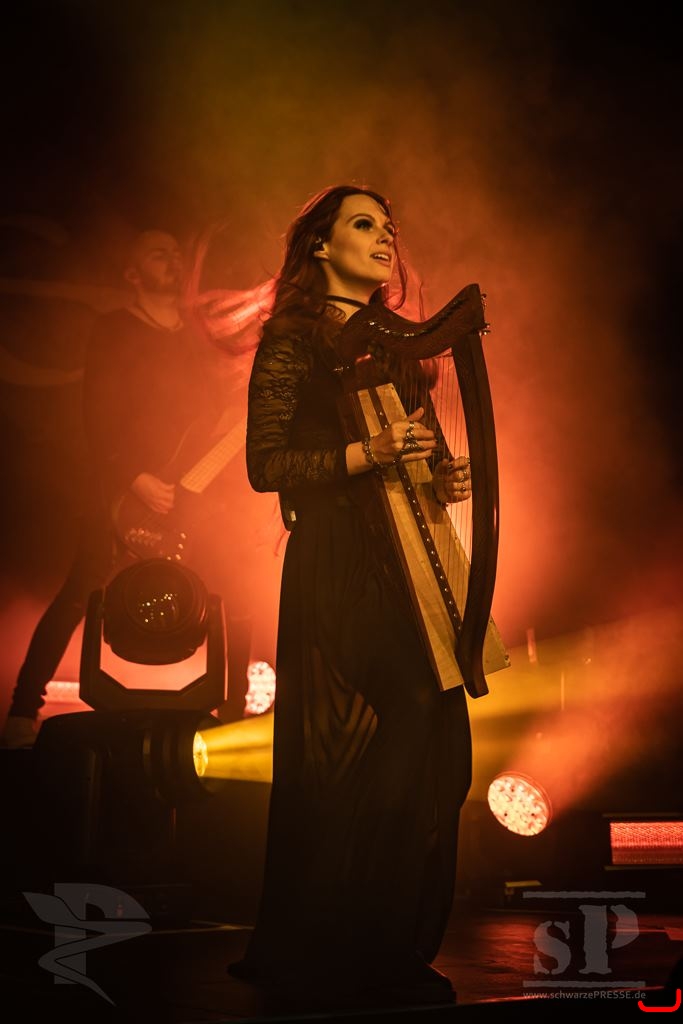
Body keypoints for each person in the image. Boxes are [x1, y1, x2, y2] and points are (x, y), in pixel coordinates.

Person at [229, 185, 474, 1010]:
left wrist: (443, 477)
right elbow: (266, 465)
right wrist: (366, 453)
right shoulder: (292, 341)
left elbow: (419, 459)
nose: (384, 237)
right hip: (337, 561)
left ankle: (388, 934)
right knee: (410, 710)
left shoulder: (395, 349)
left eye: (388, 227)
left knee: (441, 743)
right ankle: (351, 937)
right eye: (363, 224)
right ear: (320, 246)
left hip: (404, 561)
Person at [0, 229, 228, 748]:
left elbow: (212, 416)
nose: (172, 259)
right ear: (132, 273)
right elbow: (96, 411)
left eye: (176, 252)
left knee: (213, 594)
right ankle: (22, 711)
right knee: (81, 593)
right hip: (120, 488)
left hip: (188, 492)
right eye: (158, 253)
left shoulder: (197, 339)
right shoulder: (115, 328)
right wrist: (135, 477)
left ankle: (224, 706)